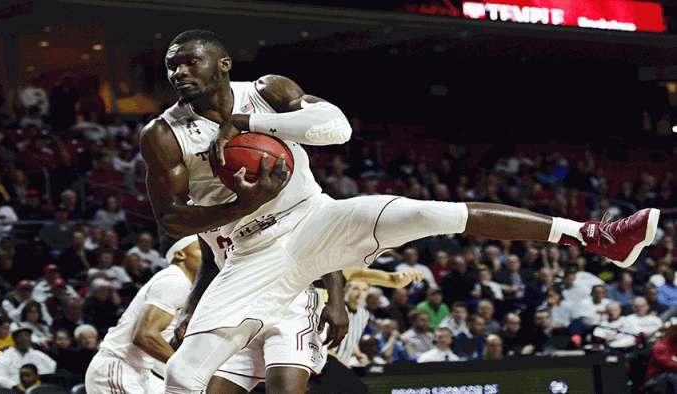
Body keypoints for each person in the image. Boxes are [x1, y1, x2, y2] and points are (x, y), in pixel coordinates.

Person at [138, 30, 661, 394]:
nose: (180, 71)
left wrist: (255, 123)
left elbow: (336, 128)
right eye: (172, 66)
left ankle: (594, 234)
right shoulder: (164, 134)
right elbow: (173, 220)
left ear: (223, 64)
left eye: (191, 61)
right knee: (185, 375)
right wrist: (246, 201)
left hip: (314, 216)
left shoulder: (267, 93)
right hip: (251, 249)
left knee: (432, 213)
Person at [85, 236, 201, 394]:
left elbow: (154, 347)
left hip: (140, 371)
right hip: (119, 367)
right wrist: (188, 370)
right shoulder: (175, 281)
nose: (211, 256)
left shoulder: (181, 283)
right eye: (201, 249)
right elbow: (145, 336)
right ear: (180, 254)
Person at [0, 324, 56, 389]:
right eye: (20, 336)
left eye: (27, 335)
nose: (24, 339)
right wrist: (14, 386)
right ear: (14, 339)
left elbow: (53, 369)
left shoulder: (39, 355)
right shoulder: (4, 357)